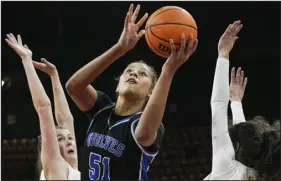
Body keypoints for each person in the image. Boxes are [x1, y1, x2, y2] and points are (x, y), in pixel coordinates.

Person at [66, 4, 198, 180]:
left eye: (143, 74)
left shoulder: (144, 124)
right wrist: (120, 48)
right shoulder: (101, 110)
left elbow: (143, 135)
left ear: (151, 92)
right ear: (118, 86)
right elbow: (73, 87)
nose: (134, 73)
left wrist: (168, 70)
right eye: (129, 71)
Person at [207, 20, 280, 180]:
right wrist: (236, 103)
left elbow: (218, 106)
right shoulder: (262, 175)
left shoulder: (226, 166)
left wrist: (223, 54)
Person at [5, 33, 80, 180]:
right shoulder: (56, 167)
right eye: (60, 139)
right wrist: (26, 60)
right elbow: (43, 107)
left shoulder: (72, 171)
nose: (70, 141)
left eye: (69, 138)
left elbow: (66, 120)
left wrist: (54, 76)